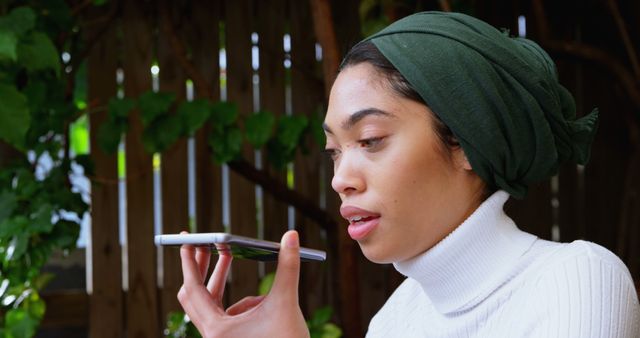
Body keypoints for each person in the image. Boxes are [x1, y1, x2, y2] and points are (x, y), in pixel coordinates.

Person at [177, 11, 640, 337]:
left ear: (466, 142)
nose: (341, 178)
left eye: (371, 139)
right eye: (334, 151)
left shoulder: (577, 280)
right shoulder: (395, 321)